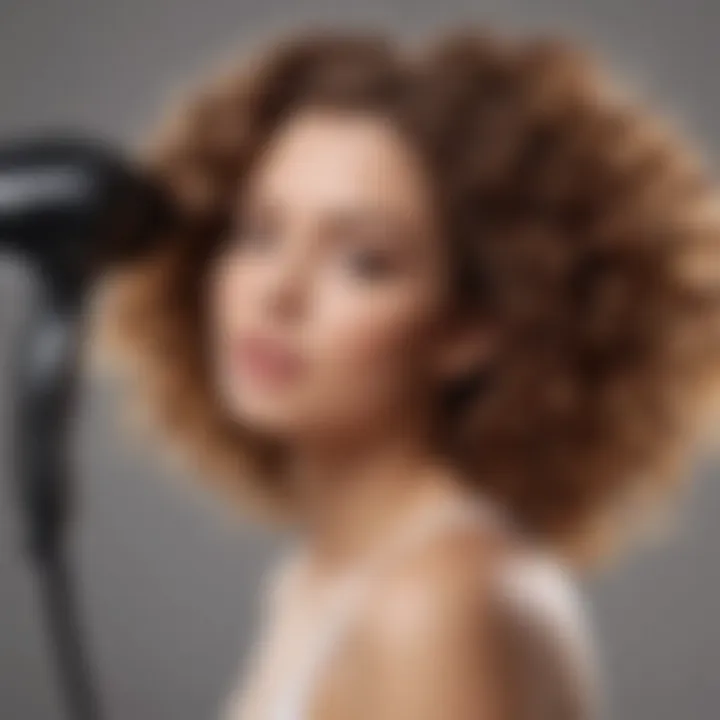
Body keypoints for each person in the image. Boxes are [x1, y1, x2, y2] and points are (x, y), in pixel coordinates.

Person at [91, 26, 720, 720]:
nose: (276, 293)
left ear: (472, 328)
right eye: (257, 232)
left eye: (364, 261)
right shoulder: (319, 577)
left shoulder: (438, 602)